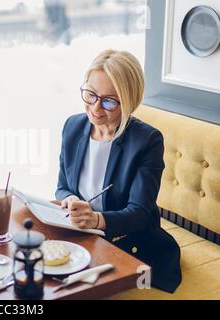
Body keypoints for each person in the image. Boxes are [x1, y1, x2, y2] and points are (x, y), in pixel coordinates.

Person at [56, 49, 182, 293]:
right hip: (85, 236)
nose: (96, 107)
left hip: (131, 242)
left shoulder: (147, 141)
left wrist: (97, 219)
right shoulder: (72, 126)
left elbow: (140, 213)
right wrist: (69, 199)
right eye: (90, 94)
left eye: (109, 101)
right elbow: (62, 186)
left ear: (129, 100)